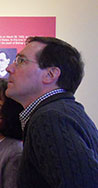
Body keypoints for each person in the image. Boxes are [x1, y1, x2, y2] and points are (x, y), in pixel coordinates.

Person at [5, 36, 98, 187]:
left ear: (50, 75)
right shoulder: (63, 112)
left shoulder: (50, 118)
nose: (9, 68)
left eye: (21, 61)